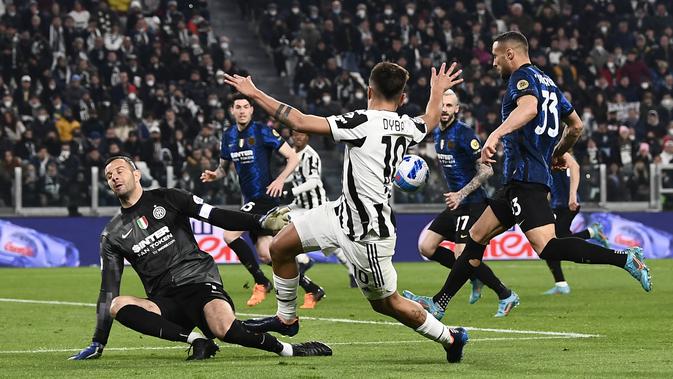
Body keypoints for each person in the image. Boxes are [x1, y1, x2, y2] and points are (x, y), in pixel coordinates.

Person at [223, 61, 470, 363]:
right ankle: (286, 320)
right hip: (340, 213)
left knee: (387, 303)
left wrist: (255, 93)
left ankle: (451, 338)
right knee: (280, 247)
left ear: (368, 91)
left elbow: (299, 121)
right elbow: (431, 119)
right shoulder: (407, 125)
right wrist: (436, 90)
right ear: (402, 98)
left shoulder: (361, 122)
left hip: (368, 234)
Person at [420, 31, 651, 320]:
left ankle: (625, 257)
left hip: (526, 178)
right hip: (519, 179)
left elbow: (529, 109)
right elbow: (576, 126)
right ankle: (439, 303)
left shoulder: (522, 78)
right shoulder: (550, 84)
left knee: (547, 246)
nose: (493, 63)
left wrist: (496, 133)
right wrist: (557, 153)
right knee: (477, 235)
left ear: (510, 54)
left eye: (495, 56)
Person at [69, 156, 331, 361]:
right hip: (165, 303)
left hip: (199, 284)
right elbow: (108, 289)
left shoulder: (169, 198)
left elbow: (216, 215)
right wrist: (98, 342)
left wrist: (258, 221)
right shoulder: (112, 235)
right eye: (109, 175)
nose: (114, 177)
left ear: (136, 175)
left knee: (224, 329)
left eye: (119, 171)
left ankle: (288, 349)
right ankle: (195, 340)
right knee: (117, 304)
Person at [402, 89, 518, 319]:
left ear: (456, 109)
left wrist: (460, 194)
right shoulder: (436, 132)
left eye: (449, 106)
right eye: (441, 105)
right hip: (456, 204)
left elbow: (487, 170)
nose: (444, 109)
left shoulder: (465, 133)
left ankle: (505, 294)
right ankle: (473, 276)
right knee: (427, 248)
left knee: (463, 255)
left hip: (473, 203)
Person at [201, 93, 301, 307]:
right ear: (232, 110)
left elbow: (293, 157)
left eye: (246, 106)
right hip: (250, 199)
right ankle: (312, 289)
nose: (242, 110)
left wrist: (280, 180)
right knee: (267, 253)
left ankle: (261, 282)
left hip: (266, 197)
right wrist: (214, 175)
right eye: (238, 107)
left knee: (229, 234)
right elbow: (223, 169)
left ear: (251, 110)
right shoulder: (228, 136)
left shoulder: (262, 131)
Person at [282, 130, 356, 309]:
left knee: (335, 244)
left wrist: (289, 190)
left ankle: (351, 270)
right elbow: (294, 176)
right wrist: (281, 182)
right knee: (282, 224)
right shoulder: (292, 153)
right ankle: (304, 261)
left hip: (316, 206)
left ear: (308, 137)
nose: (298, 137)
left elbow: (314, 182)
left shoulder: (311, 156)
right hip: (300, 206)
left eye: (302, 134)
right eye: (295, 134)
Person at [543, 152, 610, 295]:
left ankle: (561, 285)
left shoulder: (558, 153)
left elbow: (575, 167)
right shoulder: (551, 154)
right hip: (561, 204)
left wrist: (572, 195)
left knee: (551, 244)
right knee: (556, 242)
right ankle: (591, 232)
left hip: (567, 205)